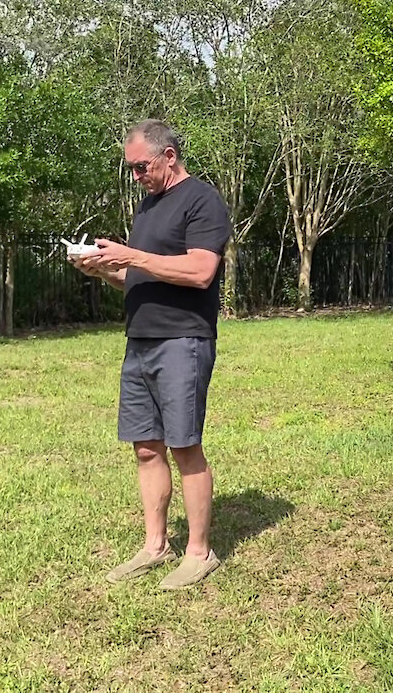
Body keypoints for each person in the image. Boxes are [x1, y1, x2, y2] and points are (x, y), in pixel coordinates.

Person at [71, 119, 231, 590]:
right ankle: (155, 545)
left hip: (183, 339)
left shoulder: (203, 200)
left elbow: (201, 271)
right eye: (131, 170)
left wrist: (133, 256)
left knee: (184, 446)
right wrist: (102, 270)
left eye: (142, 167)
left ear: (169, 156)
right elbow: (140, 276)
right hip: (139, 340)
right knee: (145, 447)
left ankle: (200, 552)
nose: (136, 176)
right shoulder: (148, 206)